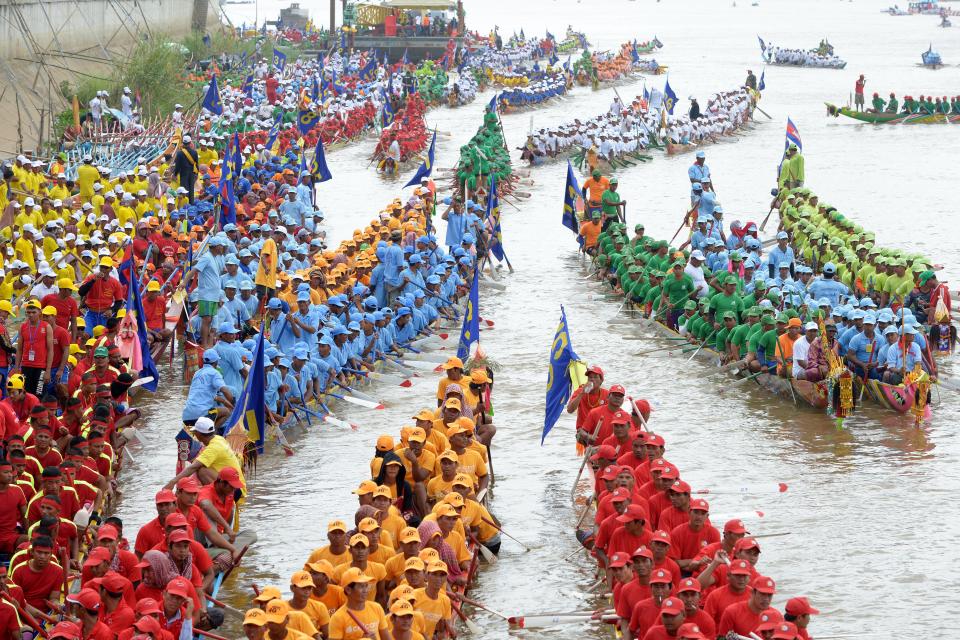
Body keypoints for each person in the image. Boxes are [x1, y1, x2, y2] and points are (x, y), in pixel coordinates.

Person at [173, 136, 199, 204]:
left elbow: (177, 166)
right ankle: (191, 204)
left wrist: (175, 174)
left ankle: (184, 204)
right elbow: (196, 164)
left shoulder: (180, 153)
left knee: (184, 189)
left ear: (183, 143)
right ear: (190, 142)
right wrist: (196, 174)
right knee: (191, 190)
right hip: (192, 173)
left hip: (183, 173)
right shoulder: (194, 152)